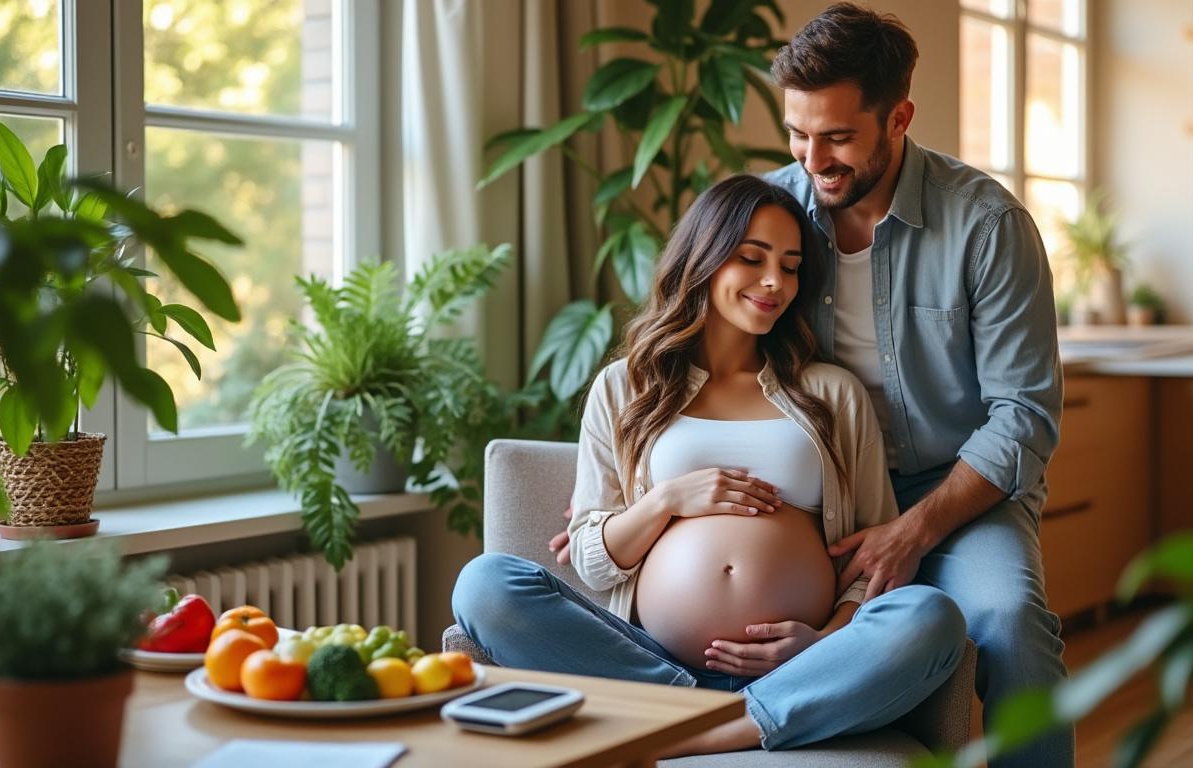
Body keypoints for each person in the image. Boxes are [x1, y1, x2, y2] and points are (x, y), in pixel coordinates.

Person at [551, 5, 1069, 766]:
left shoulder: (984, 225)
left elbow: (1023, 415)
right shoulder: (775, 210)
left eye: (836, 137)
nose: (811, 157)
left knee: (1011, 617)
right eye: (797, 133)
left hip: (956, 486)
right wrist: (630, 495)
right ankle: (723, 711)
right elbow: (699, 336)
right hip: (817, 483)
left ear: (898, 118)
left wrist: (912, 530)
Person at [453, 174, 967, 757]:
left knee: (931, 615)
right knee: (485, 584)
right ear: (704, 258)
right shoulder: (626, 387)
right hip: (650, 662)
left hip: (798, 668)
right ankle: (705, 713)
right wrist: (668, 501)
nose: (776, 282)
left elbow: (870, 557)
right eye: (752, 258)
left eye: (792, 265)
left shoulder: (830, 392)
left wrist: (826, 639)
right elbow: (594, 562)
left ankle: (714, 727)